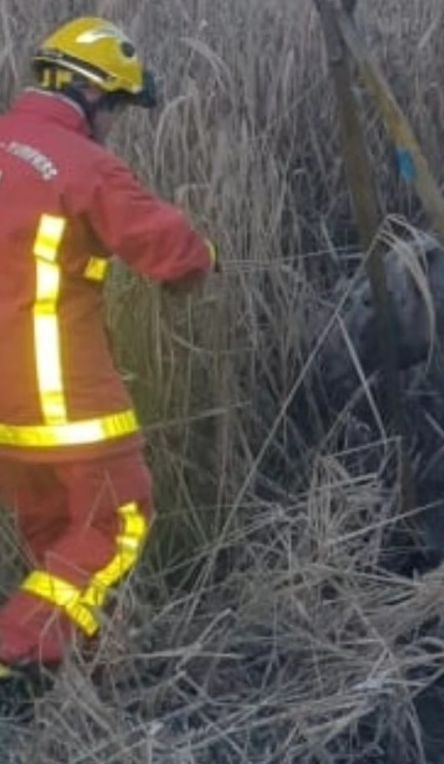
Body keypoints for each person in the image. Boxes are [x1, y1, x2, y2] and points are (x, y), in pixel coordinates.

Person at [0, 17, 216, 679]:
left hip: (6, 410)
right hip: (62, 394)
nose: (114, 123)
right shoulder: (82, 164)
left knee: (57, 531)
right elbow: (171, 250)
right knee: (121, 517)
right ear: (91, 92)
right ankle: (17, 648)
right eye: (116, 107)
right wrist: (202, 257)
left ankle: (70, 670)